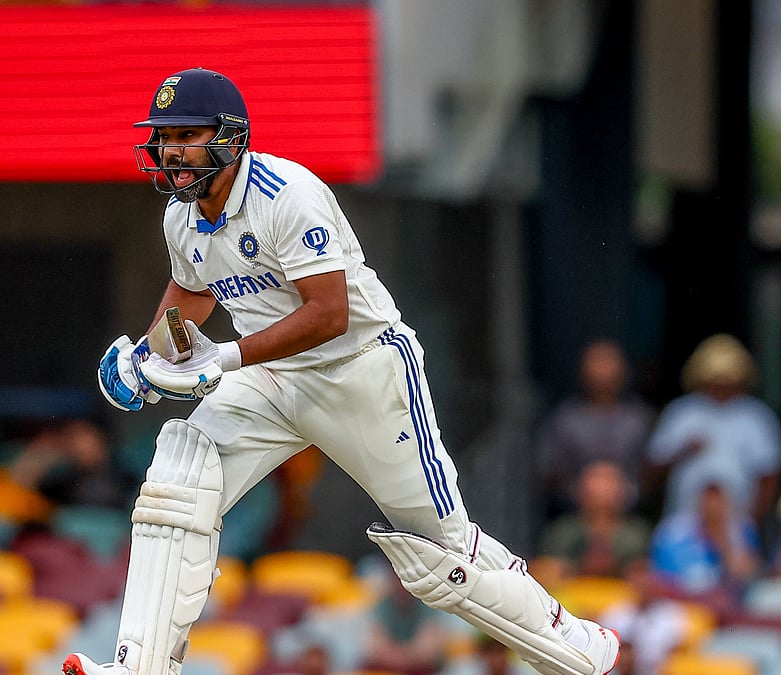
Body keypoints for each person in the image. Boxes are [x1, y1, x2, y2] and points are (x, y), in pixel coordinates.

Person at [64, 68, 620, 675]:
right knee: (178, 477)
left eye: (186, 134)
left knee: (437, 556)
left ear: (229, 135)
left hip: (360, 370)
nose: (170, 151)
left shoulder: (286, 194)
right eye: (164, 136)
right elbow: (191, 292)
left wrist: (222, 357)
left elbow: (329, 314)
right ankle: (140, 666)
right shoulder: (182, 215)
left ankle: (576, 652)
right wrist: (146, 359)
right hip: (272, 376)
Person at [645, 334, 781, 524]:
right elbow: (652, 469)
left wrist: (752, 521)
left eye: (727, 380)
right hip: (683, 523)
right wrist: (683, 450)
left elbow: (769, 476)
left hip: (737, 522)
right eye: (715, 380)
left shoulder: (756, 416)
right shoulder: (681, 412)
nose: (721, 386)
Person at [536, 340, 654, 520]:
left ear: (623, 371)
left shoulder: (639, 418)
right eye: (597, 363)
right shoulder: (565, 418)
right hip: (574, 515)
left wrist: (618, 490)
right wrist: (587, 490)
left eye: (609, 363)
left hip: (630, 516)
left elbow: (651, 469)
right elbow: (548, 469)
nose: (603, 372)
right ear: (582, 371)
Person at [649, 479, 759, 614]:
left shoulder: (741, 530)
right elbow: (662, 575)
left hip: (724, 604)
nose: (712, 506)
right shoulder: (674, 532)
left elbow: (744, 575)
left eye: (717, 500)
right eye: (708, 499)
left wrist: (721, 540)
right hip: (682, 601)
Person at [538, 461, 653, 581]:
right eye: (596, 482)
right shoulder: (563, 531)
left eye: (609, 482)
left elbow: (646, 575)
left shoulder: (636, 533)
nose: (602, 490)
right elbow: (545, 571)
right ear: (580, 491)